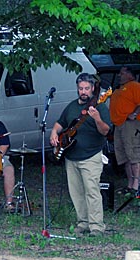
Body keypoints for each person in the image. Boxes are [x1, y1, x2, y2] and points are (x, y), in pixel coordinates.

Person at [50, 73, 111, 237]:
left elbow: (106, 131)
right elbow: (60, 123)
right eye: (81, 88)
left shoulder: (100, 107)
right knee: (76, 193)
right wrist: (54, 133)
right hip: (71, 156)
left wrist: (97, 118)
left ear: (92, 89)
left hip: (91, 156)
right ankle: (83, 222)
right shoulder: (71, 106)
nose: (83, 91)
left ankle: (97, 226)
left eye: (86, 88)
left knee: (92, 191)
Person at [109, 66, 140, 195]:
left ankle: (136, 186)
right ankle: (129, 184)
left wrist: (134, 114)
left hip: (130, 125)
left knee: (133, 154)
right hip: (118, 125)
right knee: (124, 156)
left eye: (122, 73)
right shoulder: (118, 89)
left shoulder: (134, 85)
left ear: (129, 74)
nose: (119, 75)